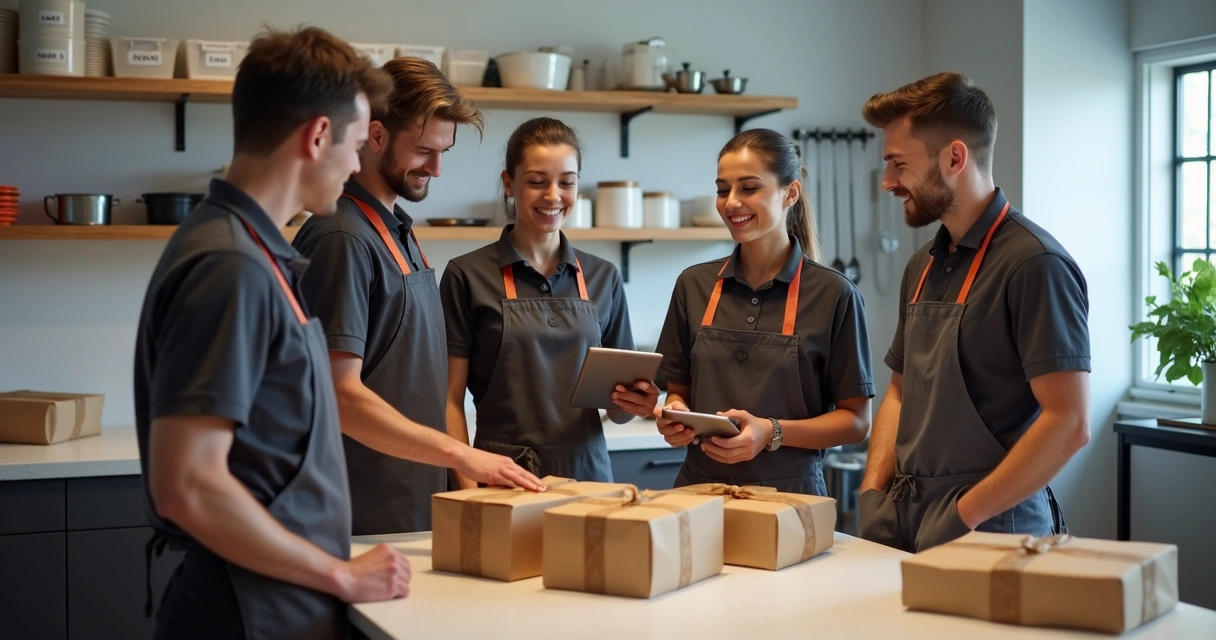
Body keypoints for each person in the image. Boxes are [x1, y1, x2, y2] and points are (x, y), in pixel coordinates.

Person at [132, 28, 414, 640]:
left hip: (278, 602)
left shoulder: (253, 249)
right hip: (244, 611)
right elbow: (188, 485)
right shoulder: (229, 265)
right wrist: (342, 576)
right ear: (317, 137)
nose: (357, 164)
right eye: (357, 145)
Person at [292, 57, 545, 536]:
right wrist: (462, 454)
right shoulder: (341, 238)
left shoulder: (396, 231)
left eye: (443, 151)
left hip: (411, 506)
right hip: (359, 514)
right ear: (376, 135)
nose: (437, 168)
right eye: (425, 151)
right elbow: (338, 395)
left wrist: (461, 487)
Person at [857, 72, 1091, 553]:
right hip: (904, 521)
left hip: (993, 530)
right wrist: (872, 492)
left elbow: (1068, 422)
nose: (887, 182)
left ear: (955, 157)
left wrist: (965, 515)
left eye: (898, 164)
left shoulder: (1035, 264)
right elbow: (900, 393)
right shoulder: (921, 264)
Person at [653, 129, 874, 495]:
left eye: (749, 188)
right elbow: (679, 395)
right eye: (723, 190)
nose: (731, 202)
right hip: (699, 493)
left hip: (791, 499)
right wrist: (675, 417)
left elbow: (855, 422)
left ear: (791, 193)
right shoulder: (693, 285)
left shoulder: (835, 294)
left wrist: (772, 431)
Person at [440, 117, 658, 483]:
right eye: (537, 182)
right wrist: (466, 488)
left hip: (588, 477)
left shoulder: (603, 277)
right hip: (500, 476)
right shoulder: (467, 275)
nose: (553, 196)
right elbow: (448, 400)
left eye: (566, 183)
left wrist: (637, 404)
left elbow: (618, 410)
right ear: (509, 183)